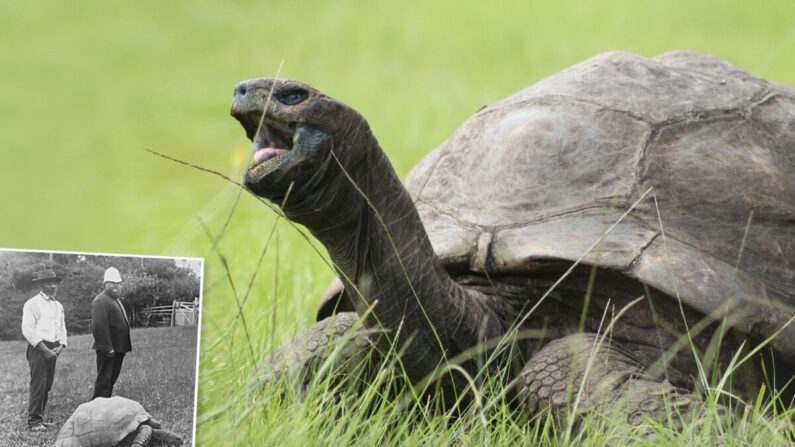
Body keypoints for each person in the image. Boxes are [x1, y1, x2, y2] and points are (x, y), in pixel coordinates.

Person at [21, 268, 67, 432]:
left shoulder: (58, 305)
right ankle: (33, 422)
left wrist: (61, 346)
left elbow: (62, 327)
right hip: (38, 349)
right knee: (38, 385)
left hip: (53, 348)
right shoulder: (32, 304)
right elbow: (28, 330)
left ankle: (40, 418)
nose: (53, 285)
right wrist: (44, 349)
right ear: (41, 285)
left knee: (47, 385)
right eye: (49, 282)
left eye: (55, 282)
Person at [91, 267, 131, 399]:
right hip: (109, 349)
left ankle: (105, 406)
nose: (116, 286)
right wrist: (107, 348)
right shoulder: (101, 300)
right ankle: (96, 409)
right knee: (104, 381)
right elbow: (98, 326)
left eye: (118, 284)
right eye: (113, 283)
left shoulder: (115, 299)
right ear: (105, 284)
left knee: (111, 380)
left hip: (119, 347)